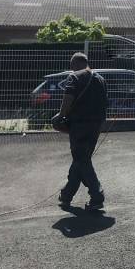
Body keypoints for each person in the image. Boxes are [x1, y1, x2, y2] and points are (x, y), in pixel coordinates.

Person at [57, 52, 108, 211]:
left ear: (76, 64)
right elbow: (105, 103)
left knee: (82, 160)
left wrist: (61, 115)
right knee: (81, 159)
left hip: (79, 125)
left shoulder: (74, 77)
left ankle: (97, 195)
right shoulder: (100, 79)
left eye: (72, 66)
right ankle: (66, 195)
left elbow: (68, 98)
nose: (71, 69)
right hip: (96, 125)